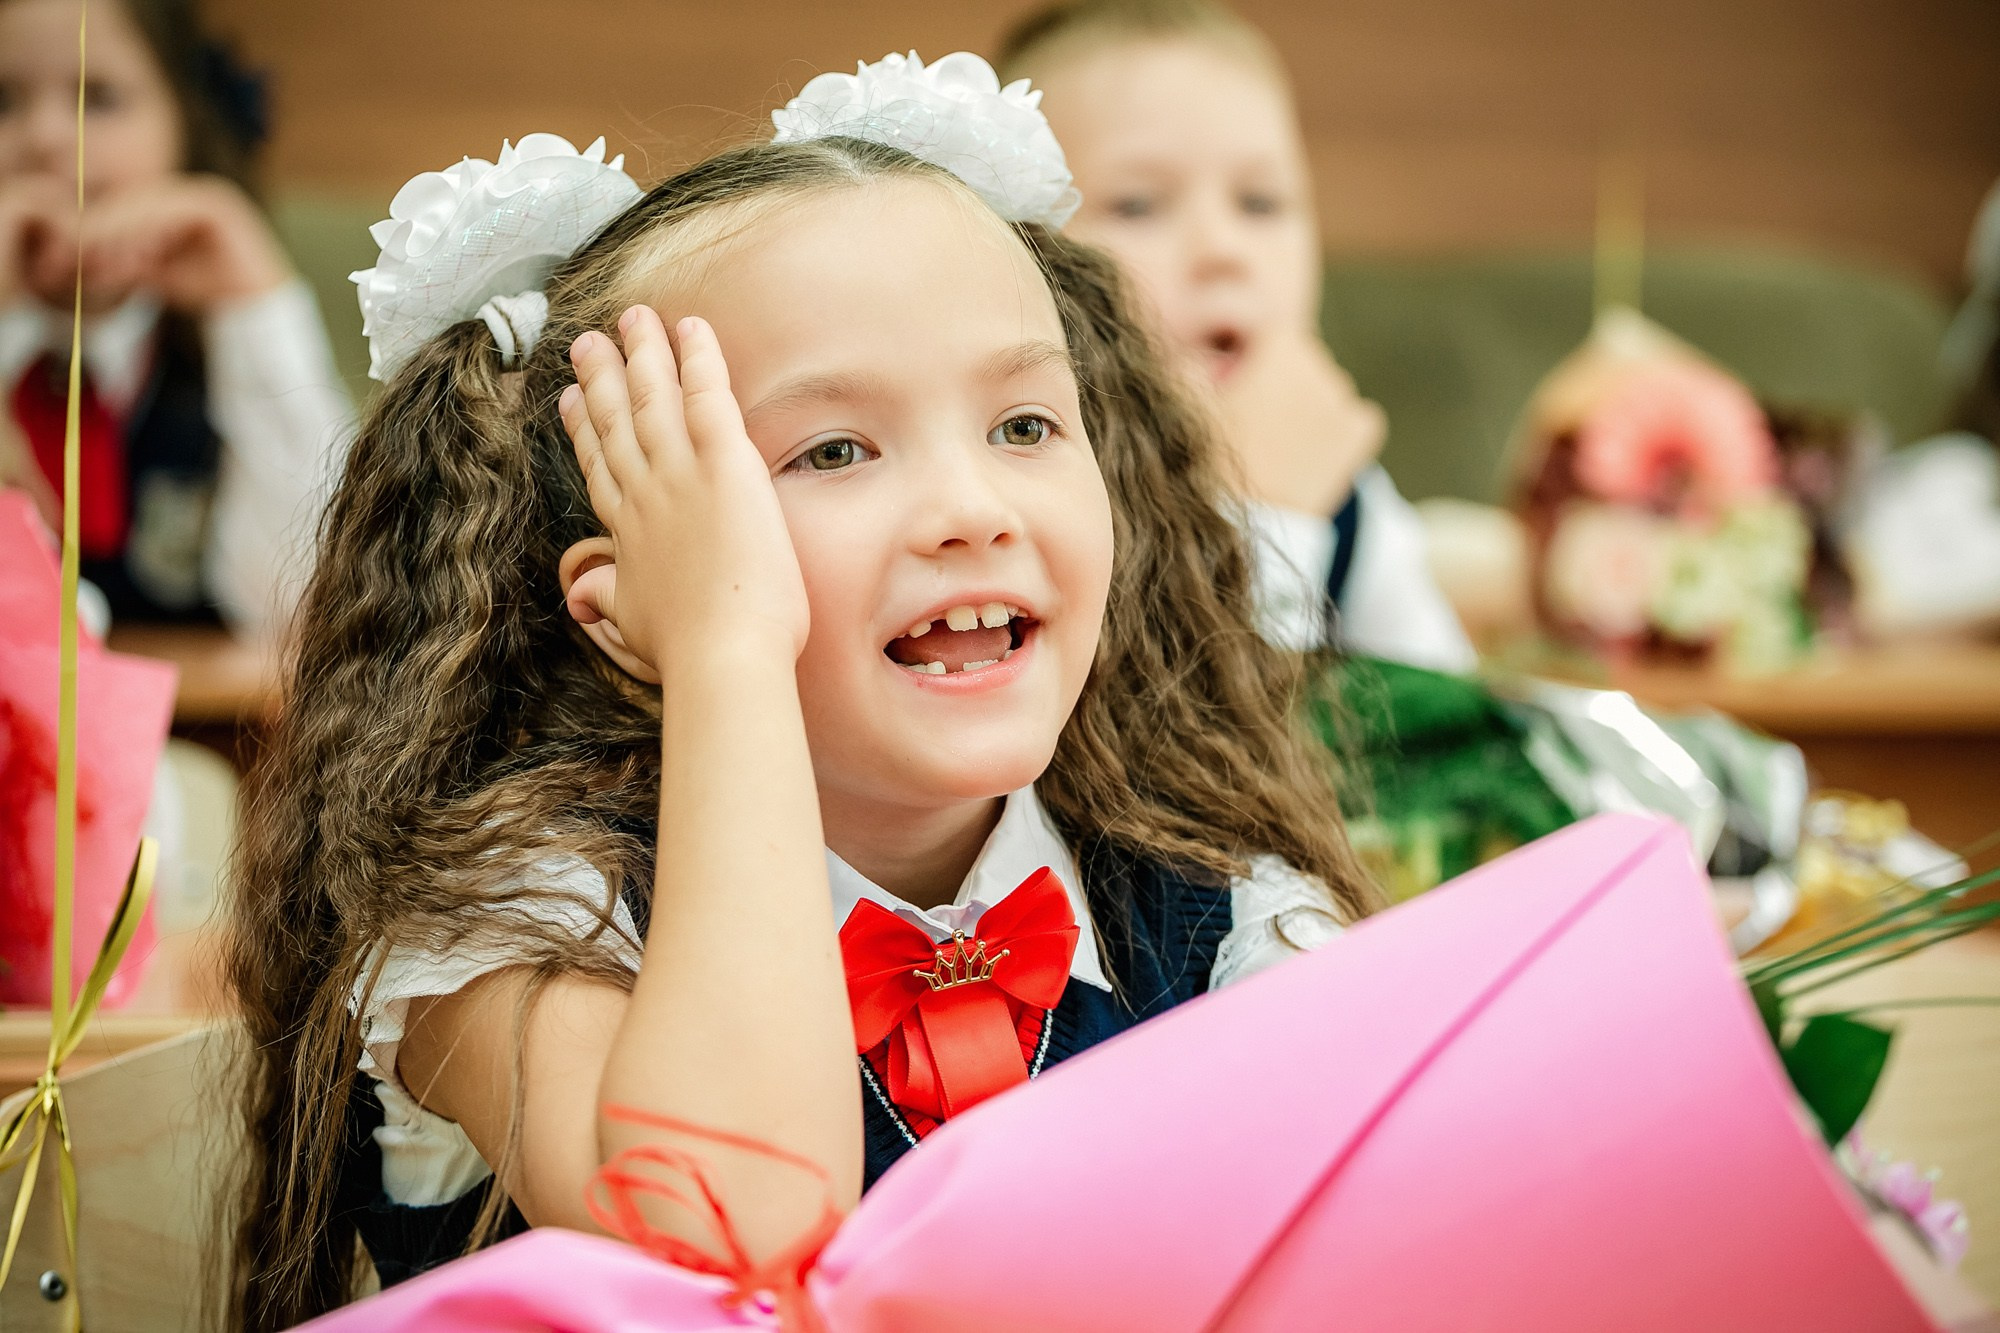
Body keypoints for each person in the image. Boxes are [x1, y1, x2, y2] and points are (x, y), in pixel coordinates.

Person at [224, 54, 1375, 1330]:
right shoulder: (506, 927)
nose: (968, 509)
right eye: (833, 449)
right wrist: (728, 654)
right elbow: (724, 1229)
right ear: (622, 597)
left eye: (1024, 426)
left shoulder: (1236, 932)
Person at [996, 0, 1477, 672]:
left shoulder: (1342, 487)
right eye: (1138, 204)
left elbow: (1450, 719)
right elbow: (1171, 762)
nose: (1224, 249)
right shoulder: (1027, 494)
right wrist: (1272, 522)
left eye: (1261, 203)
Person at [0, 0, 351, 635]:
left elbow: (312, 610)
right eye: (2, 100)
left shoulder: (217, 355)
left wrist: (258, 308)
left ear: (184, 125)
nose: (44, 138)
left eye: (98, 97)